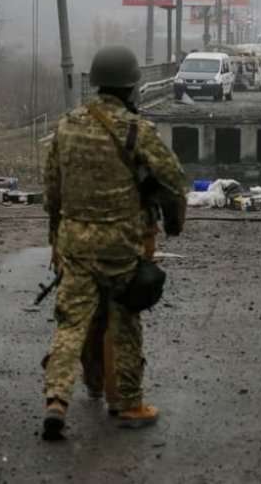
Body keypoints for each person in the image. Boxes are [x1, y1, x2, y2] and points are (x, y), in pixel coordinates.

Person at [42, 45, 187, 440]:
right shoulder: (136, 129)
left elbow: (51, 189)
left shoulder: (66, 125)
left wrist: (56, 236)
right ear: (130, 88)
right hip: (121, 244)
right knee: (125, 321)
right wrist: (173, 223)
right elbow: (174, 180)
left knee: (71, 324)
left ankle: (56, 398)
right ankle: (128, 402)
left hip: (74, 241)